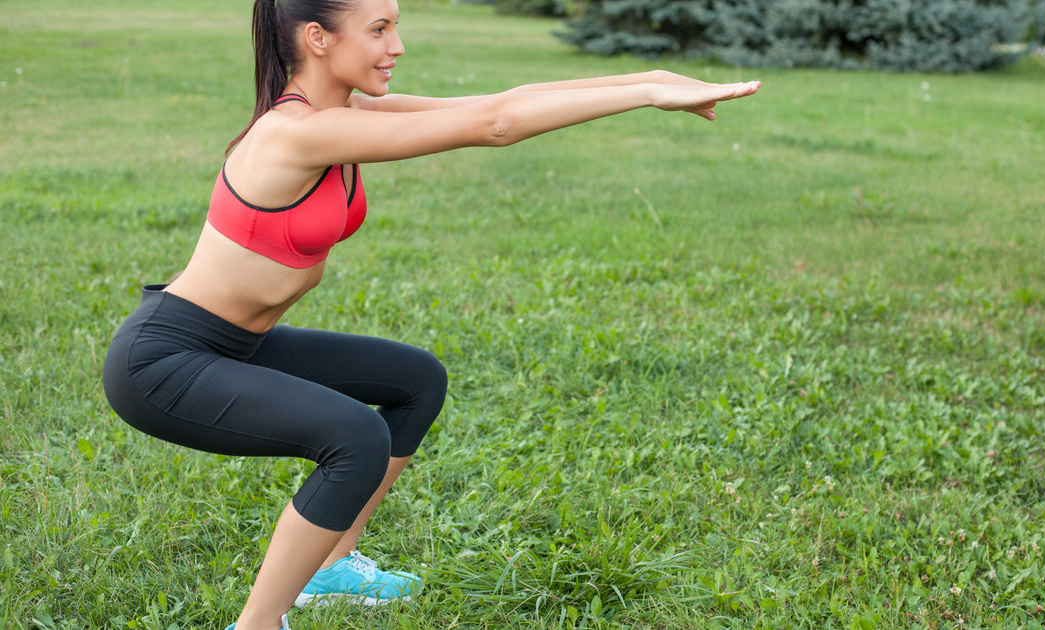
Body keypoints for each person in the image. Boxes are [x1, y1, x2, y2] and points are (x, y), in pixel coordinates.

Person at [101, 0, 759, 628]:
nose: (398, 46)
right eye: (380, 29)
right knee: (353, 438)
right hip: (165, 360)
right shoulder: (298, 131)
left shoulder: (344, 113)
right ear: (318, 38)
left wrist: (652, 76)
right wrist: (646, 92)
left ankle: (330, 571)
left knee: (416, 381)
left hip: (234, 344)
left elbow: (502, 102)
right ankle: (257, 623)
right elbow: (494, 126)